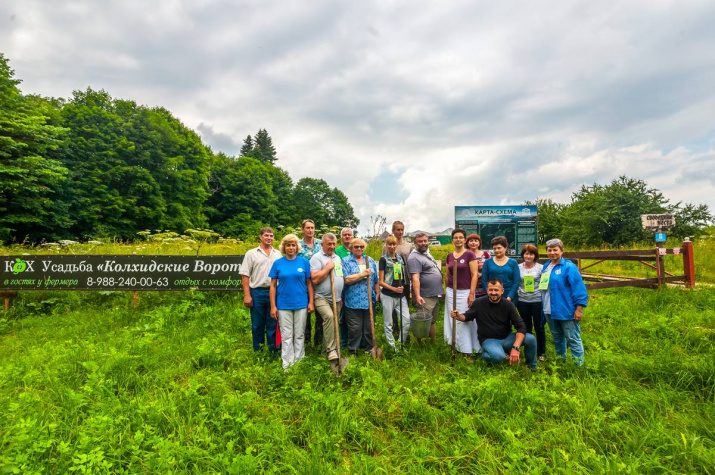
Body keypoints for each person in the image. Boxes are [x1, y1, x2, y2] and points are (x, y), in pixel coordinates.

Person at [451, 278, 537, 371]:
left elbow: (521, 327)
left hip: (507, 338)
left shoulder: (508, 305)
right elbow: (467, 316)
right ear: (487, 290)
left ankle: (531, 367)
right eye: (490, 290)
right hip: (489, 340)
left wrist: (515, 347)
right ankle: (487, 354)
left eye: (496, 290)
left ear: (502, 291)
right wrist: (458, 316)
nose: (493, 292)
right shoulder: (479, 303)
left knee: (530, 339)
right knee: (498, 356)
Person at [269, 234, 314, 370]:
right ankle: (287, 365)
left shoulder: (304, 263)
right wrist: (273, 306)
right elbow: (272, 286)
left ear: (297, 247)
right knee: (286, 335)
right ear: (284, 247)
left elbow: (309, 284)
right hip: (283, 304)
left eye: (293, 245)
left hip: (301, 303)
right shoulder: (278, 263)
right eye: (288, 245)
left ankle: (299, 362)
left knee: (299, 334)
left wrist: (311, 302)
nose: (291, 247)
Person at [540, 238, 588, 365]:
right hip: (549, 309)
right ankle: (561, 362)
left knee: (572, 338)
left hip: (566, 310)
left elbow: (579, 289)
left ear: (562, 251)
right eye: (549, 250)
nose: (552, 253)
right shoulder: (546, 266)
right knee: (557, 338)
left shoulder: (569, 267)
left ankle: (578, 366)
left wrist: (579, 309)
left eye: (555, 250)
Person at [240, 227, 282, 353]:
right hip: (257, 292)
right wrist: (247, 295)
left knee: (272, 323)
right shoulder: (251, 253)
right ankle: (258, 351)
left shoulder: (278, 254)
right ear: (261, 237)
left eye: (271, 236)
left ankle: (272, 351)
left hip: (273, 292)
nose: (269, 238)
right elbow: (245, 275)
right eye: (266, 235)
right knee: (257, 324)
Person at [444, 228, 480, 355]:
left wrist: (471, 293)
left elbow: (474, 275)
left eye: (461, 237)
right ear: (452, 240)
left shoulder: (469, 254)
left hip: (465, 292)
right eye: (455, 237)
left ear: (464, 240)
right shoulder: (449, 255)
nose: (458, 240)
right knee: (452, 318)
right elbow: (447, 275)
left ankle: (468, 349)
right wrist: (446, 288)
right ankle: (456, 345)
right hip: (451, 291)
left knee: (464, 319)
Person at [342, 238, 380, 355]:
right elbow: (347, 279)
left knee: (369, 327)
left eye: (361, 247)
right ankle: (353, 351)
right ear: (351, 248)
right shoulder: (346, 261)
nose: (359, 249)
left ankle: (369, 350)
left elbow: (375, 280)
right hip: (353, 300)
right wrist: (362, 275)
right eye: (356, 247)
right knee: (355, 328)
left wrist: (377, 292)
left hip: (369, 300)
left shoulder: (370, 260)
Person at [309, 233, 343, 362]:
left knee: (334, 324)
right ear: (322, 244)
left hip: (337, 298)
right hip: (321, 297)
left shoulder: (337, 258)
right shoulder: (316, 258)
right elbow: (315, 279)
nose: (332, 246)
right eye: (329, 244)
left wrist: (341, 295)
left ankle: (325, 353)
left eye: (334, 244)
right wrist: (328, 268)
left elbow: (339, 275)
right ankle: (331, 349)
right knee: (329, 317)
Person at [408, 232, 443, 344]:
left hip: (433, 294)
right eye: (420, 241)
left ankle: (433, 343)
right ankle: (420, 344)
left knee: (432, 320)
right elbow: (415, 278)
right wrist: (418, 296)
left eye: (425, 241)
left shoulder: (425, 254)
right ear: (415, 243)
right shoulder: (414, 258)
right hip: (424, 295)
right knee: (422, 321)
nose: (423, 243)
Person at [379, 234, 410, 350]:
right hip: (388, 295)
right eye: (389, 244)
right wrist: (394, 289)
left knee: (406, 320)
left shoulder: (400, 258)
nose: (392, 246)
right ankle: (393, 349)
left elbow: (401, 275)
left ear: (396, 245)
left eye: (394, 244)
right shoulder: (383, 260)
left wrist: (402, 288)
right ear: (386, 245)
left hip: (401, 295)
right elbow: (381, 282)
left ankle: (400, 344)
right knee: (389, 323)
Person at [382, 221, 414, 335]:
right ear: (393, 231)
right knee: (392, 309)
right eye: (398, 230)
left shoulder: (408, 246)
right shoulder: (386, 246)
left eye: (402, 229)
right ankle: (394, 329)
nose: (400, 232)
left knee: (404, 307)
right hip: (391, 282)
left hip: (405, 280)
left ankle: (405, 331)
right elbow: (383, 264)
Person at [517, 244, 546, 362]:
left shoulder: (541, 268)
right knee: (526, 327)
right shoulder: (518, 267)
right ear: (523, 255)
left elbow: (545, 284)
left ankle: (541, 352)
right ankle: (529, 351)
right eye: (526, 253)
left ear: (535, 256)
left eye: (531, 254)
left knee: (539, 327)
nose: (528, 256)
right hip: (522, 301)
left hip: (537, 301)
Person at [298, 219, 322, 350]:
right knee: (305, 317)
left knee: (321, 317)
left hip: (319, 285)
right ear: (302, 229)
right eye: (307, 228)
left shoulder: (320, 243)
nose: (310, 230)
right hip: (303, 286)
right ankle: (306, 344)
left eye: (312, 228)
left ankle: (318, 344)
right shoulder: (297, 245)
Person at [481, 235, 520, 301]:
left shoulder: (513, 262)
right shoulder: (488, 262)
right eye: (494, 248)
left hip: (509, 297)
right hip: (492, 296)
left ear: (505, 248)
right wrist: (489, 294)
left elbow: (516, 281)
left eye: (499, 248)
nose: (496, 250)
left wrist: (510, 296)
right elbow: (484, 280)